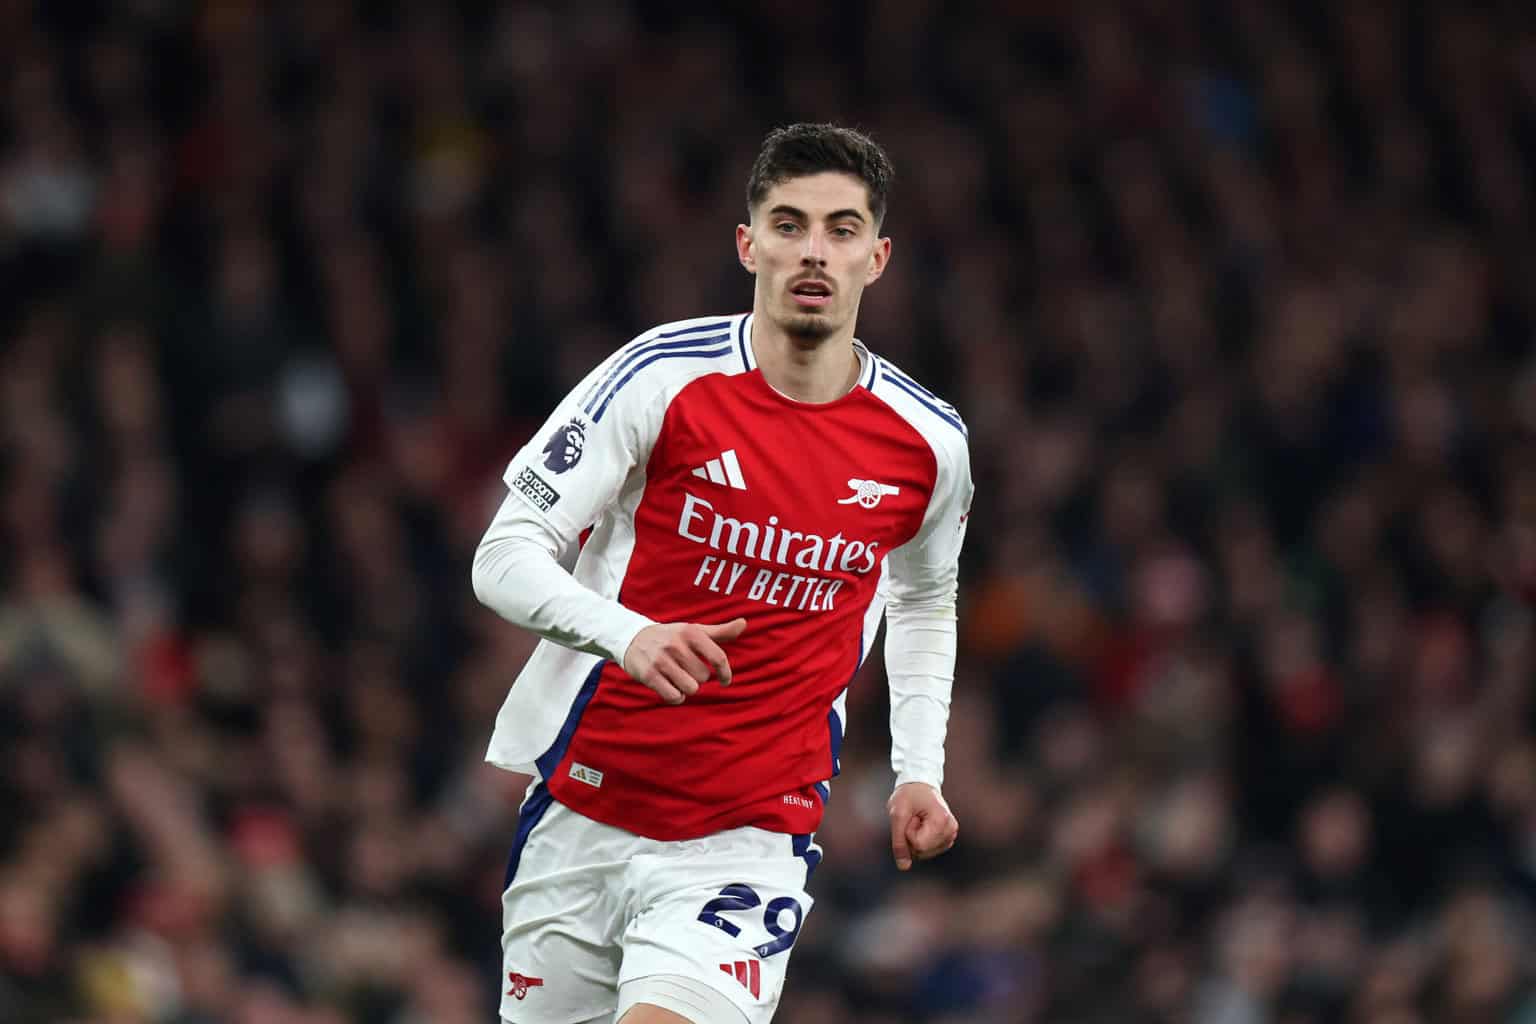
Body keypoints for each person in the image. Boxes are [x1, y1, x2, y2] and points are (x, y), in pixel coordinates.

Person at [472, 123, 974, 1024]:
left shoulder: (927, 444)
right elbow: (503, 555)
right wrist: (627, 634)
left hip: (748, 839)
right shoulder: (660, 378)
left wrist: (918, 768)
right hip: (583, 806)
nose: (814, 251)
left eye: (842, 229)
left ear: (877, 258)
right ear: (748, 245)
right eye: (789, 225)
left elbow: (925, 595)